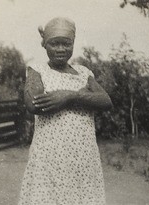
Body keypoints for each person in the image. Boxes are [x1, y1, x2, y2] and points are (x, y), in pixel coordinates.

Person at [19, 17, 113, 205]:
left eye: (66, 44)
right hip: (51, 156)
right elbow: (34, 104)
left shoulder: (84, 73)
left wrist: (68, 96)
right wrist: (85, 97)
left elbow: (105, 101)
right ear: (45, 44)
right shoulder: (38, 71)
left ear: (73, 44)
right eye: (55, 44)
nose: (61, 49)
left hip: (83, 155)